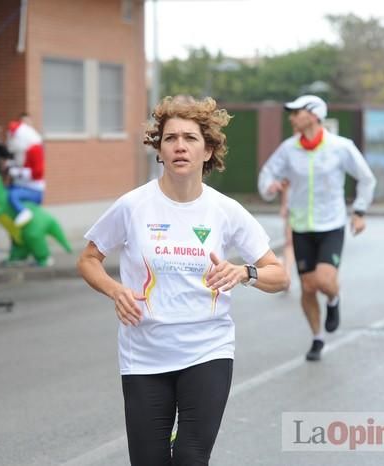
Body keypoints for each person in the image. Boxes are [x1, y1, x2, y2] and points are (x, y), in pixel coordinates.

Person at [77, 96, 289, 466]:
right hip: (144, 353)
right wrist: (115, 290)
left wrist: (244, 272)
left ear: (208, 151)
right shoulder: (133, 206)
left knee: (190, 458)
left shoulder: (225, 209)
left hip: (207, 348)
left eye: (190, 138)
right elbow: (90, 259)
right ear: (159, 149)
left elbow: (280, 275)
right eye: (170, 138)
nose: (179, 146)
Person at [258, 95, 376, 361]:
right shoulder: (288, 149)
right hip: (301, 226)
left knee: (324, 281)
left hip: (331, 224)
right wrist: (270, 188)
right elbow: (266, 175)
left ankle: (334, 300)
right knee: (308, 287)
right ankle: (317, 337)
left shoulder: (340, 147)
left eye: (296, 112)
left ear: (313, 115)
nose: (291, 117)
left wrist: (359, 211)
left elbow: (366, 178)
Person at [6, 119, 45, 227]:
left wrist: (16, 172)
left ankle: (23, 211)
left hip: (34, 190)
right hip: (23, 186)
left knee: (13, 195)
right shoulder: (23, 150)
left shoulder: (34, 149)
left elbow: (37, 173)